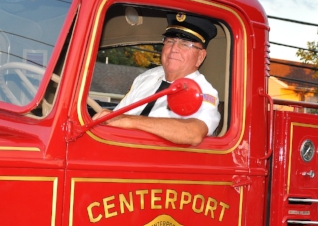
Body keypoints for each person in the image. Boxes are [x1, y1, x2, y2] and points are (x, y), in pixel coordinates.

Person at [92, 12, 221, 146]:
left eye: (185, 44)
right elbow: (115, 118)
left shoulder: (203, 91)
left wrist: (131, 121)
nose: (174, 49)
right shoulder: (147, 77)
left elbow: (193, 133)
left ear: (200, 56)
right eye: (170, 41)